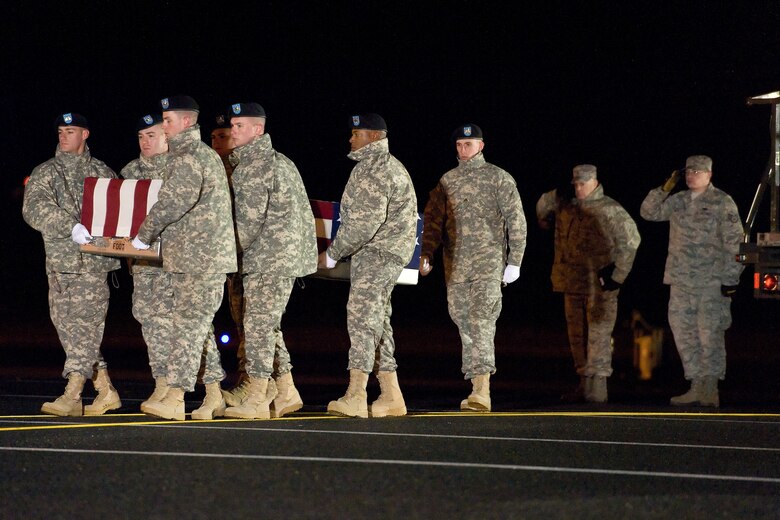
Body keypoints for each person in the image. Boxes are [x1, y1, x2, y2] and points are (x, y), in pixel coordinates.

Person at [132, 95, 237, 421]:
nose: (163, 126)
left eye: (168, 121)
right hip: (191, 259)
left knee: (189, 330)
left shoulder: (191, 155)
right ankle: (207, 395)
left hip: (200, 259)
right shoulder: (192, 154)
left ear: (187, 122)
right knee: (191, 329)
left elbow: (174, 203)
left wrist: (141, 236)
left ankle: (176, 399)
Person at [420, 124, 527, 412]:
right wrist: (427, 252)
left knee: (481, 321)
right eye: (459, 144)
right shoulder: (447, 180)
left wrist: (515, 260)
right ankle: (475, 385)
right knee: (463, 321)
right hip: (456, 267)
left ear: (481, 146)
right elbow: (433, 222)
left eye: (469, 144)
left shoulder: (498, 178)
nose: (462, 149)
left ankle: (482, 389)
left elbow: (516, 220)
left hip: (488, 266)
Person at [220, 102, 317, 419]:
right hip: (282, 259)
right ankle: (287, 391)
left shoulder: (253, 165)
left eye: (240, 126)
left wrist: (220, 256)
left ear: (258, 130)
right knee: (268, 327)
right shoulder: (280, 161)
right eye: (232, 126)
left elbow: (246, 226)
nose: (233, 131)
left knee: (258, 328)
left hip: (266, 260)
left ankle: (259, 399)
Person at [22, 112, 122, 416]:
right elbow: (34, 208)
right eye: (61, 131)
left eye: (70, 131)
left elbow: (121, 210)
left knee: (85, 327)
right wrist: (70, 226)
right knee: (69, 328)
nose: (63, 136)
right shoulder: (46, 172)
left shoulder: (103, 173)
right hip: (60, 263)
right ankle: (105, 390)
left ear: (85, 134)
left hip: (93, 264)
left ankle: (73, 392)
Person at [318, 113, 418, 418]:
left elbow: (364, 223)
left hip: (377, 254)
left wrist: (333, 253)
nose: (350, 139)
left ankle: (356, 394)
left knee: (361, 319)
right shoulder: (387, 165)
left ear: (373, 137)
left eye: (355, 133)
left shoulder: (373, 168)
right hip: (386, 253)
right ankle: (391, 395)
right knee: (378, 322)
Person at [640, 155, 743, 407]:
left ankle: (710, 387)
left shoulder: (722, 202)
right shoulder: (679, 200)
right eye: (688, 171)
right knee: (683, 332)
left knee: (710, 334)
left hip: (710, 280)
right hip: (680, 279)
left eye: (697, 171)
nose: (691, 175)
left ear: (709, 175)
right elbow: (648, 212)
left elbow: (735, 242)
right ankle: (695, 384)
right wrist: (664, 188)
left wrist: (731, 278)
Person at [536, 164, 640, 403]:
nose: (579, 188)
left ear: (595, 181)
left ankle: (598, 387)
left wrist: (617, 277)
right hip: (571, 283)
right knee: (577, 338)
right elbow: (542, 215)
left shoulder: (610, 209)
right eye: (576, 184)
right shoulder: (567, 207)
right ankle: (583, 384)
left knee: (599, 336)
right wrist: (554, 194)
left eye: (583, 183)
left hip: (599, 287)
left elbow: (631, 242)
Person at [210, 112, 250, 405]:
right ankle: (272, 385)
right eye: (213, 137)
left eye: (223, 136)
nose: (217, 142)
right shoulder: (212, 169)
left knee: (253, 321)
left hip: (247, 258)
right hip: (227, 259)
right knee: (242, 320)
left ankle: (253, 381)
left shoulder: (244, 169)